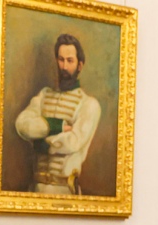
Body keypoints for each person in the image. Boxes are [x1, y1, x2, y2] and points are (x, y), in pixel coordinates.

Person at [15, 34, 102, 195]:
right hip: (35, 190)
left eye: (70, 61)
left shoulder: (89, 104)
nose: (64, 67)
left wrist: (43, 144)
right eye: (61, 60)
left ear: (80, 65)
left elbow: (73, 141)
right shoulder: (44, 95)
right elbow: (22, 125)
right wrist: (56, 126)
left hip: (65, 192)